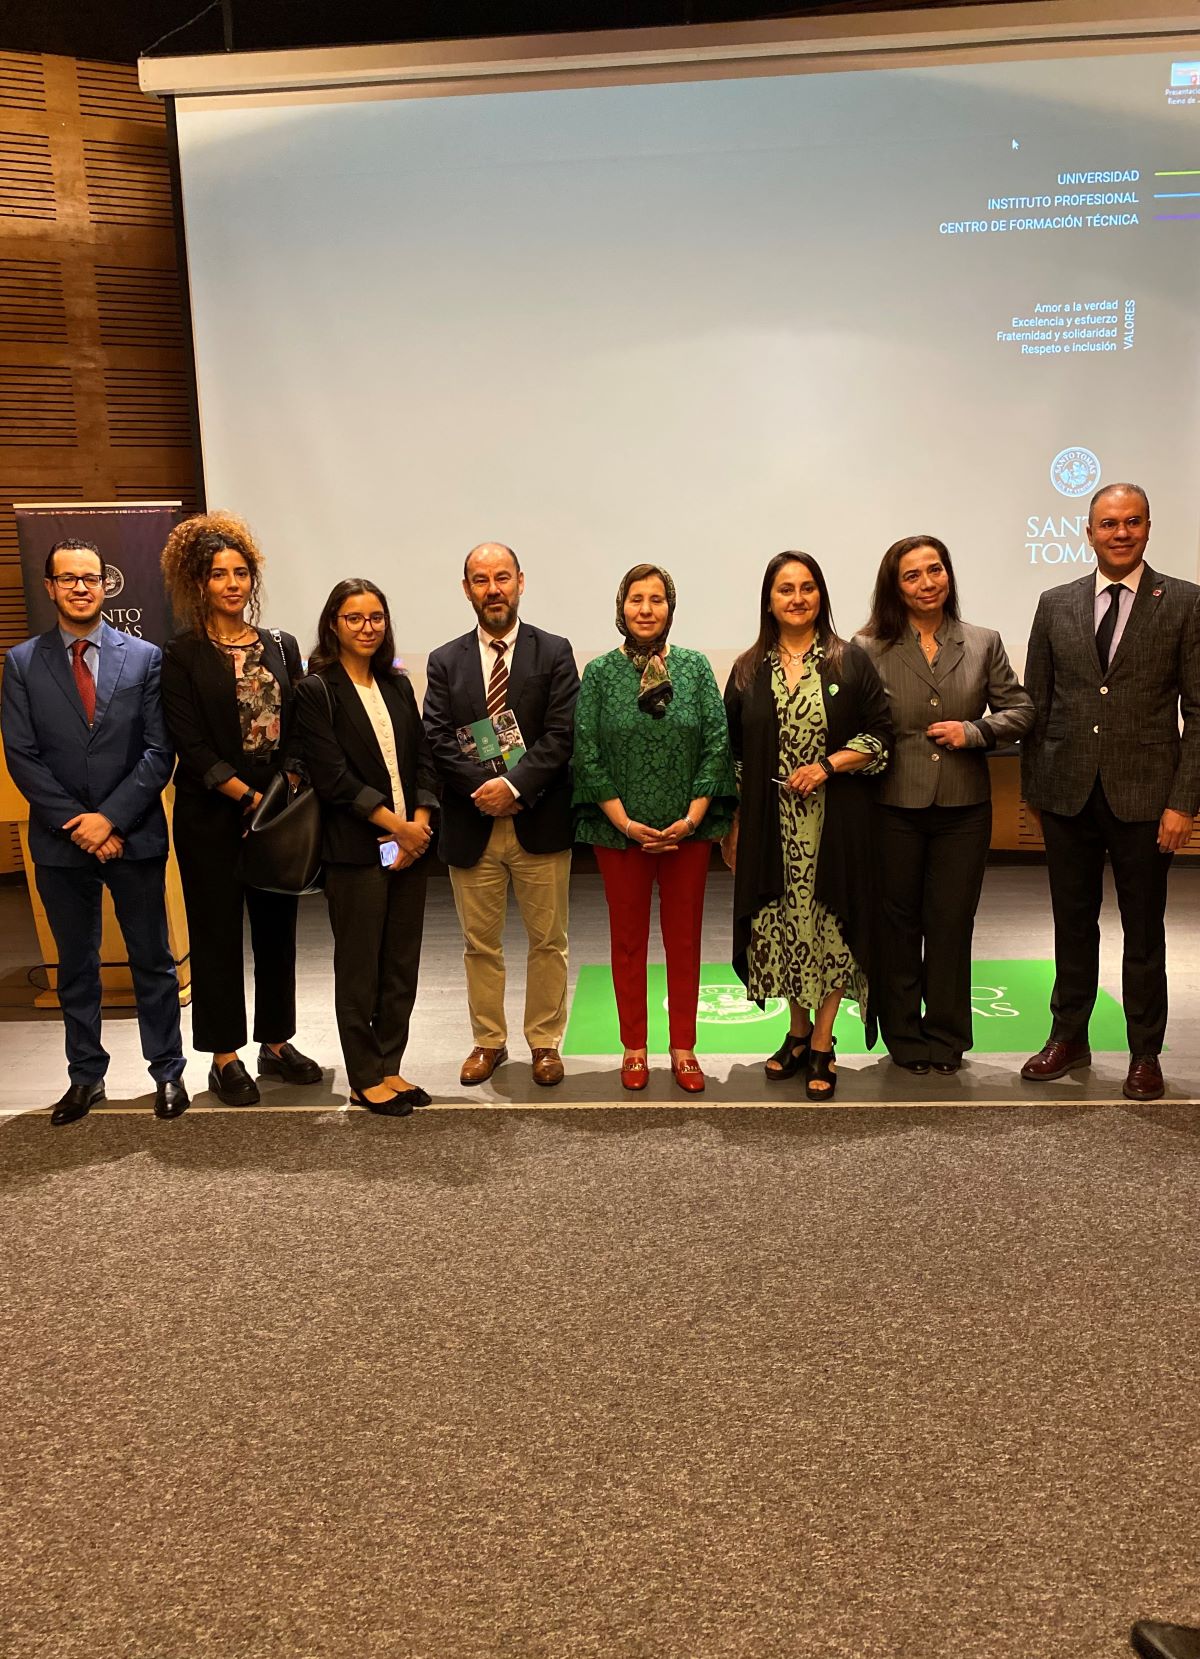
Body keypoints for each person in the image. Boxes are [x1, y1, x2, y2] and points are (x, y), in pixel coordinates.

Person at [1020, 482, 1200, 1102]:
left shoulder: (1184, 602)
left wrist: (1183, 803)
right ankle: (1068, 1037)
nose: (1119, 533)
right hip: (1067, 795)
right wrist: (1035, 794)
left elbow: (1199, 712)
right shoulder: (1055, 602)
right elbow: (1036, 703)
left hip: (1148, 798)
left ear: (1148, 527)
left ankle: (1145, 1052)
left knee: (1144, 930)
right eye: (1107, 523)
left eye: (1132, 522)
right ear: (1088, 531)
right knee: (1072, 925)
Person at [0, 539, 187, 1122]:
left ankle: (168, 1074)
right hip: (60, 843)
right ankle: (86, 1076)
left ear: (106, 585)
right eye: (68, 578)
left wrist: (110, 818)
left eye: (90, 577)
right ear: (50, 587)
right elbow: (21, 754)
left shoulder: (147, 658)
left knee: (151, 959)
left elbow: (161, 750)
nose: (81, 587)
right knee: (75, 967)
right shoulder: (22, 662)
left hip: (133, 835)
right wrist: (77, 823)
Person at [159, 512, 321, 1106]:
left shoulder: (281, 645)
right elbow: (189, 742)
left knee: (277, 929)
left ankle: (275, 1043)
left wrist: (288, 784)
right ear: (198, 583)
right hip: (212, 813)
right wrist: (246, 795)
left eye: (241, 572)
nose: (232, 583)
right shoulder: (179, 653)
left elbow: (301, 723)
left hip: (276, 810)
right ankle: (223, 1054)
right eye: (218, 574)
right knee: (217, 932)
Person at [857, 536, 1034, 1074]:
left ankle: (948, 1035)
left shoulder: (983, 641)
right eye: (912, 575)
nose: (927, 582)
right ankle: (904, 1035)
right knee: (899, 923)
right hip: (892, 805)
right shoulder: (867, 647)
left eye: (935, 570)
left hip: (964, 808)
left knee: (952, 922)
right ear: (895, 586)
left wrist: (976, 730)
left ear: (949, 576)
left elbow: (1021, 710)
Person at [723, 552, 891, 1100]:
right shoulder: (749, 668)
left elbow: (880, 739)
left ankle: (823, 1040)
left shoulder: (850, 662)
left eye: (807, 587)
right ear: (769, 601)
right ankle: (796, 1033)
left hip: (836, 826)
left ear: (821, 595)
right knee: (784, 929)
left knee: (831, 931)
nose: (797, 598)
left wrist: (827, 767)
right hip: (773, 829)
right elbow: (736, 755)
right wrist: (737, 822)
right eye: (785, 589)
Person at [572, 565, 737, 1092]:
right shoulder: (598, 673)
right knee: (627, 942)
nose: (646, 609)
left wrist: (691, 819)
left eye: (657, 599)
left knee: (684, 941)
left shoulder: (694, 668)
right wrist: (624, 821)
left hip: (687, 832)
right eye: (636, 599)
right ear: (621, 607)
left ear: (671, 607)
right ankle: (635, 1048)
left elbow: (717, 743)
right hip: (620, 834)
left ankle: (685, 1048)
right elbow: (587, 751)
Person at [423, 543, 580, 1089]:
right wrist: (487, 791)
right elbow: (438, 740)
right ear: (467, 589)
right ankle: (488, 1041)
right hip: (473, 825)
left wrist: (515, 785)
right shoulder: (445, 660)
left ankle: (544, 1042)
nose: (493, 589)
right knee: (479, 944)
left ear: (520, 582)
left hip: (539, 817)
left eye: (503, 578)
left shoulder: (555, 652)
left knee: (548, 941)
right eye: (481, 579)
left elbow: (562, 735)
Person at [294, 580, 437, 1114]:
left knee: (401, 965)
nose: (367, 626)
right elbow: (331, 777)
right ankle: (362, 1076)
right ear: (334, 623)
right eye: (354, 617)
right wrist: (395, 827)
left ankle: (389, 1067)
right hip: (357, 850)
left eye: (376, 616)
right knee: (359, 968)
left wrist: (418, 824)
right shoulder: (316, 690)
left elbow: (424, 758)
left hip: (412, 846)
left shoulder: (397, 685)